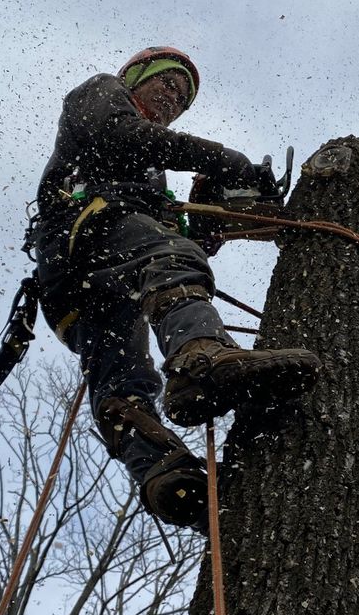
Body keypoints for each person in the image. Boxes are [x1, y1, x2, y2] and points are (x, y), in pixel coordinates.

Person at [30, 46, 321, 534]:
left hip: (81, 285)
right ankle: (199, 359)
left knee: (122, 379)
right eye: (167, 84)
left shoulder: (151, 178)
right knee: (170, 258)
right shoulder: (100, 93)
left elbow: (170, 232)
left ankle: (165, 473)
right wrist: (229, 162)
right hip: (86, 236)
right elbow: (122, 137)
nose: (173, 99)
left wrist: (216, 222)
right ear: (136, 76)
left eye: (183, 99)